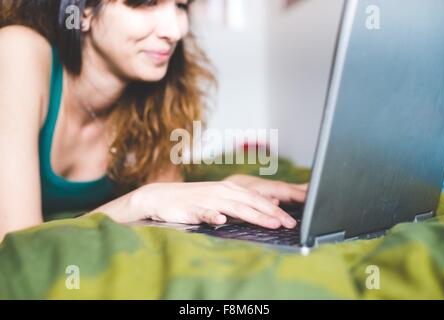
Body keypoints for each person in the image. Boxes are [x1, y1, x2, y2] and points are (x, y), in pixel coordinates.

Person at [0, 0, 307, 242]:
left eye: (181, 5)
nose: (175, 30)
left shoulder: (159, 96)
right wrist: (140, 201)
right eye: (146, 2)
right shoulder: (16, 51)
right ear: (81, 12)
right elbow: (14, 244)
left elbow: (168, 206)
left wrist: (228, 190)